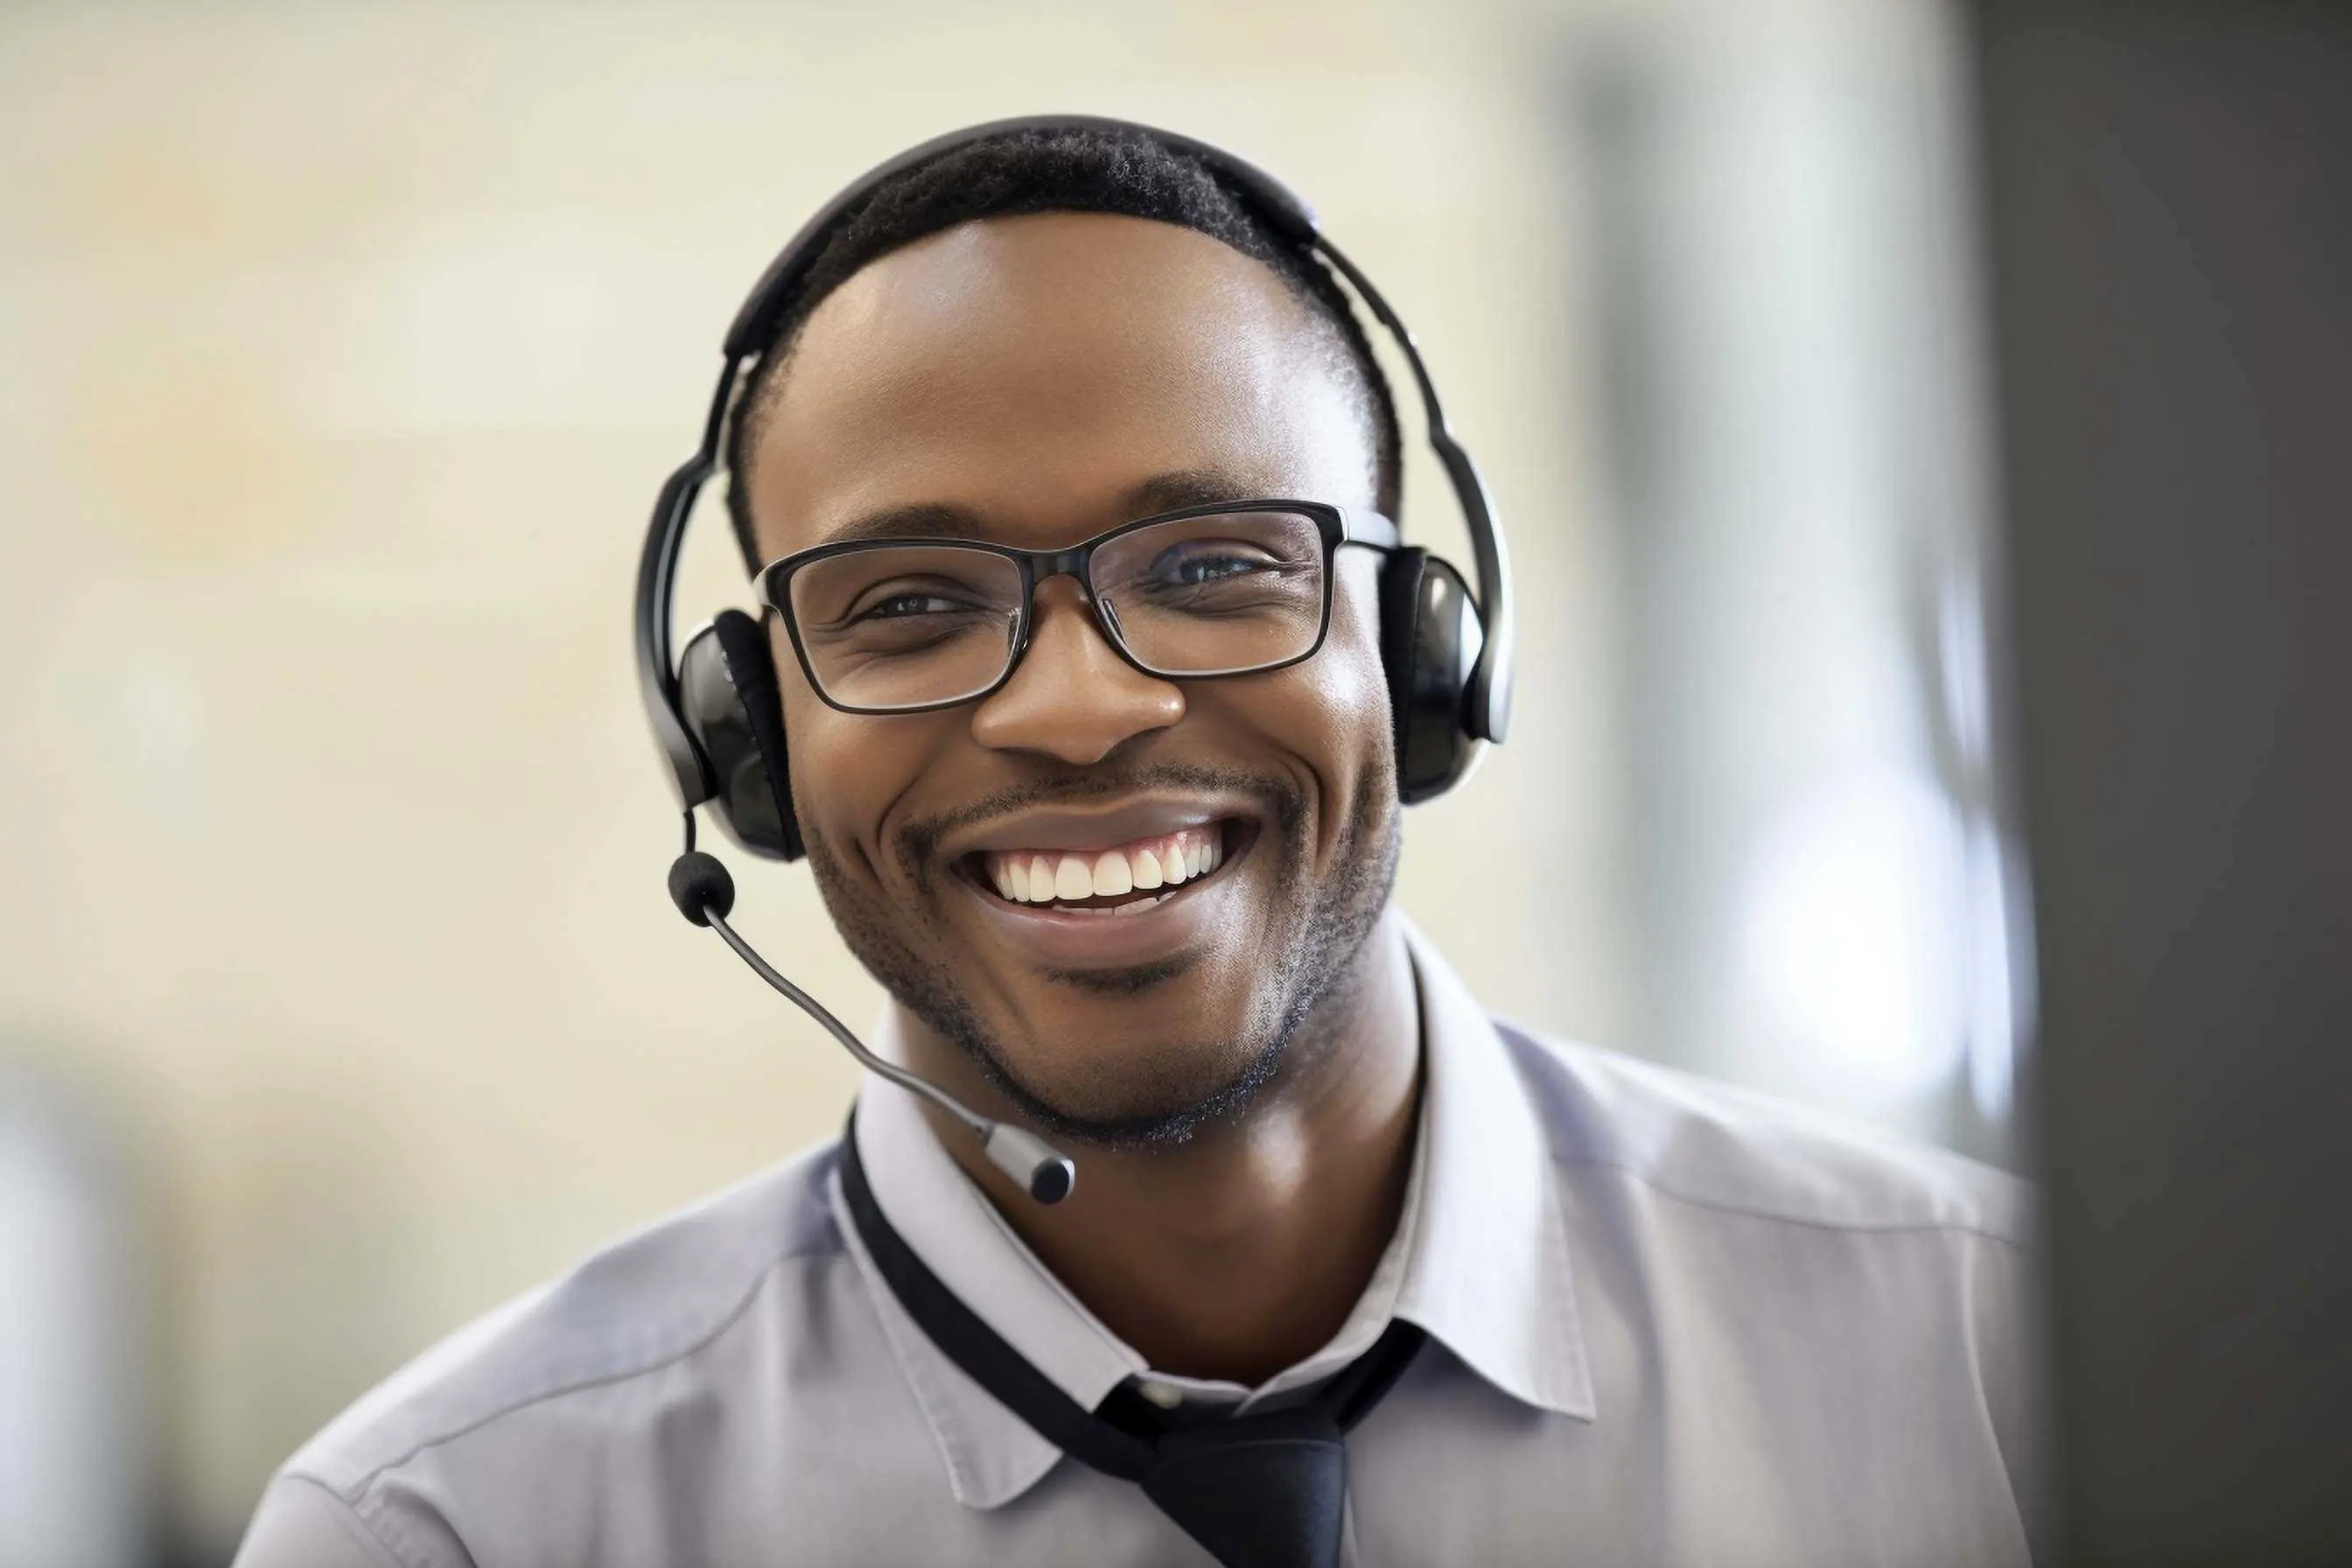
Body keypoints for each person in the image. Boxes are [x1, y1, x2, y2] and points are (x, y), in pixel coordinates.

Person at [233, 122, 2039, 1568]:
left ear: (1420, 652)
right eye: (912, 603)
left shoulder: (2002, 1366)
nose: (1079, 709)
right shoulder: (458, 1524)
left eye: (1212, 567)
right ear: (747, 737)